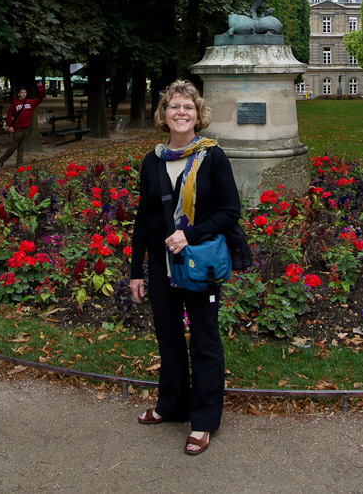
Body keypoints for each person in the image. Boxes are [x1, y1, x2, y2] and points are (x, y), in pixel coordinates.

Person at [130, 80, 240, 456]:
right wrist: (135, 272)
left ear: (198, 115)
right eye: (174, 107)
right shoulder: (153, 160)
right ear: (164, 114)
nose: (181, 113)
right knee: (169, 337)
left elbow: (230, 212)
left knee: (205, 341)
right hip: (162, 268)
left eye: (188, 108)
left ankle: (204, 420)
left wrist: (189, 235)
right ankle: (172, 405)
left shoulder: (213, 157)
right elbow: (143, 221)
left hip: (198, 266)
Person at [0, 82, 44, 168]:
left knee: (21, 147)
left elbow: (40, 99)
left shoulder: (30, 102)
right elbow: (9, 115)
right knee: (13, 146)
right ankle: (1, 160)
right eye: (22, 92)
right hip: (18, 129)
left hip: (26, 128)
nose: (24, 94)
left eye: (25, 92)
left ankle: (19, 165)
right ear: (18, 94)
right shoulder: (15, 103)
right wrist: (10, 125)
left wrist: (40, 88)